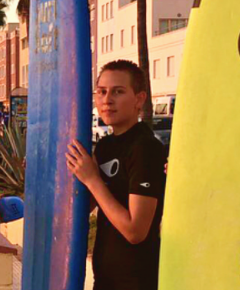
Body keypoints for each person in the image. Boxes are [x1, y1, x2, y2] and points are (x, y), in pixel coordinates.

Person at [65, 60, 167, 290]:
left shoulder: (145, 148)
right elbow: (86, 206)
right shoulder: (105, 146)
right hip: (105, 279)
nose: (106, 100)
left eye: (118, 92)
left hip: (138, 281)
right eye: (101, 92)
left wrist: (92, 179)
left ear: (139, 99)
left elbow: (135, 231)